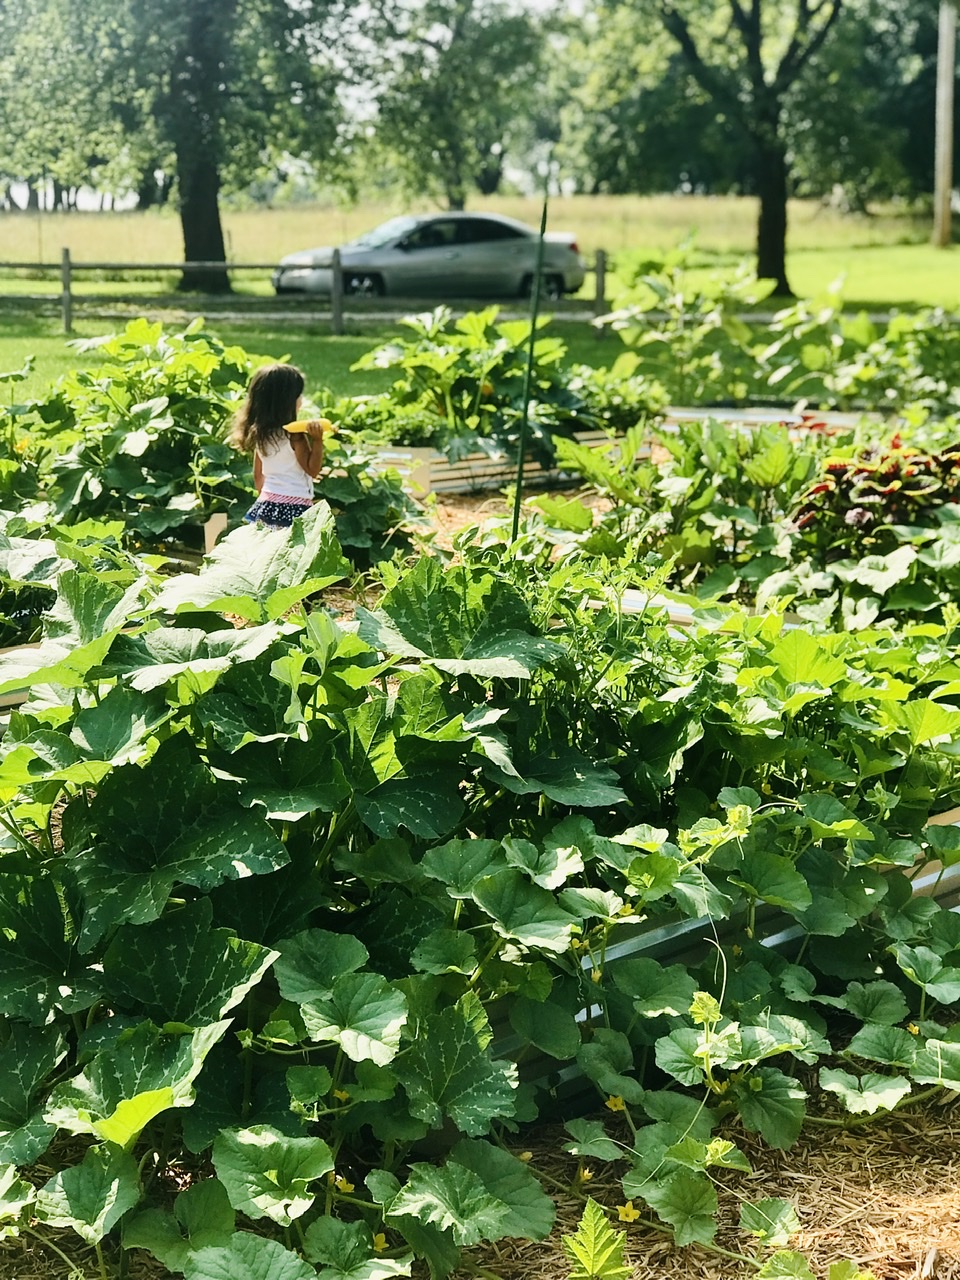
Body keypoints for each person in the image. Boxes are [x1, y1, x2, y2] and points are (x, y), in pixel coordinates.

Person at [231, 363, 327, 530]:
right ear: (288, 401)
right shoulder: (295, 436)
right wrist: (317, 441)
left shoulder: (261, 435)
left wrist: (268, 500)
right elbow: (312, 470)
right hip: (295, 505)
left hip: (266, 502)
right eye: (298, 395)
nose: (301, 400)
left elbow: (258, 476)